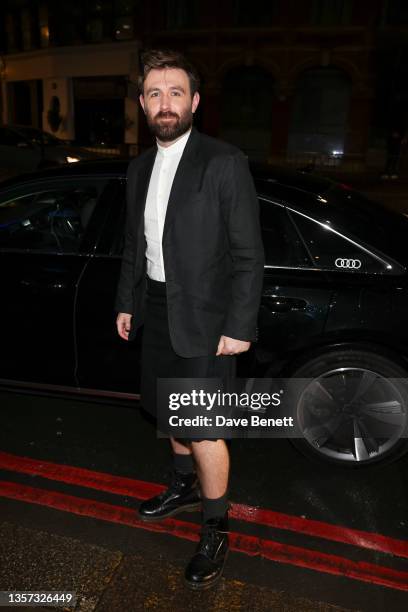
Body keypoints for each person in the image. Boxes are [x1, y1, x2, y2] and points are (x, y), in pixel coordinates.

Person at [115, 48, 264, 589]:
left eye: (176, 92)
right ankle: (181, 487)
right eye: (155, 93)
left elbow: (248, 254)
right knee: (166, 408)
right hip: (156, 309)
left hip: (206, 318)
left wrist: (240, 326)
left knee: (203, 427)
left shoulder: (223, 162)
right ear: (142, 104)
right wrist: (126, 302)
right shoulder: (138, 168)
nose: (165, 103)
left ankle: (216, 527)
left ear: (195, 101)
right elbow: (136, 244)